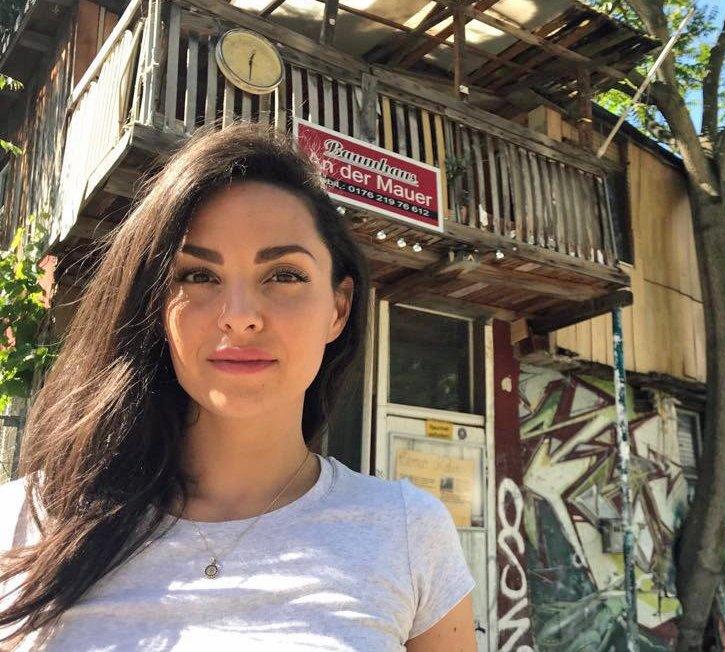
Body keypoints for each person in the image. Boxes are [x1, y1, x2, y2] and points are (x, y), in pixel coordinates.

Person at [0, 123, 476, 650]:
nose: (240, 318)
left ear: (338, 309)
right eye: (198, 277)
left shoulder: (408, 532)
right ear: (155, 306)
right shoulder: (25, 524)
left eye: (285, 275)